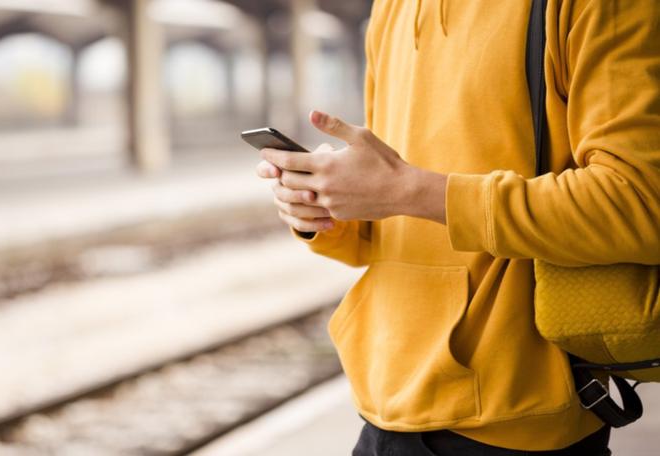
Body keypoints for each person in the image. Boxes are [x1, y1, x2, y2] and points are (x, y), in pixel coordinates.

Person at [256, 1, 660, 455]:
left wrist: (407, 191)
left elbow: (640, 203)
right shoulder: (392, 7)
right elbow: (399, 204)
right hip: (383, 404)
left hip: (516, 414)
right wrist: (325, 207)